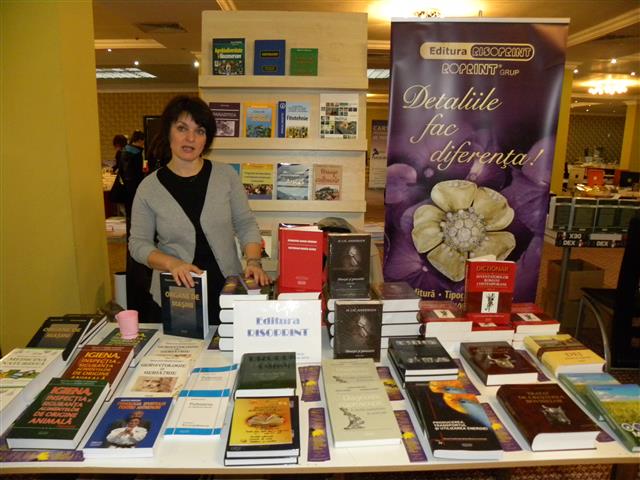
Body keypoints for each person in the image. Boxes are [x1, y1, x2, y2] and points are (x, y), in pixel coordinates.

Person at [129, 95, 270, 325]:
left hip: (227, 289)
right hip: (177, 292)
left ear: (207, 138)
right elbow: (138, 244)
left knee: (228, 342)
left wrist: (253, 261)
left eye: (200, 131)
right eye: (182, 128)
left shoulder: (226, 176)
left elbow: (245, 224)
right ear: (168, 131)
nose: (190, 138)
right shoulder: (149, 188)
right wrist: (172, 263)